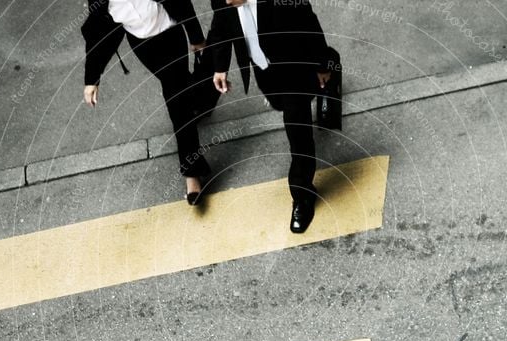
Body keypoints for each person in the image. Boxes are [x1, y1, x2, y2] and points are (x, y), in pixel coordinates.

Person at [208, 0, 333, 233]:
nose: (225, 1)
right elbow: (220, 25)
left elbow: (308, 23)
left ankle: (302, 196)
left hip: (294, 65)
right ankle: (323, 83)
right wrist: (219, 67)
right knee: (280, 103)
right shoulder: (223, 0)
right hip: (264, 69)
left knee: (297, 130)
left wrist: (323, 64)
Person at [82, 0, 210, 205]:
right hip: (144, 46)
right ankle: (198, 103)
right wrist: (92, 79)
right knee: (179, 91)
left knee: (176, 98)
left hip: (170, 33)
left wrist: (195, 36)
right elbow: (98, 31)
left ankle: (192, 174)